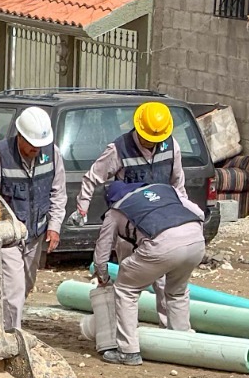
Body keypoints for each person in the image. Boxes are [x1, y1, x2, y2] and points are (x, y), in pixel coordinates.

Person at [74, 101, 205, 327]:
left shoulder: (170, 146)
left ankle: (170, 333)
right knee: (130, 281)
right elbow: (92, 177)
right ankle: (127, 331)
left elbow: (178, 185)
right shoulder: (118, 150)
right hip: (130, 229)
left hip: (163, 225)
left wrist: (184, 213)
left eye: (156, 140)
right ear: (138, 129)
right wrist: (82, 206)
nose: (152, 143)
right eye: (148, 139)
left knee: (165, 283)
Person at [93, 179, 207, 365]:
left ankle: (128, 351)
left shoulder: (116, 211)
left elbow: (103, 248)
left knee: (125, 290)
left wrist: (103, 276)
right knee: (177, 291)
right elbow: (199, 213)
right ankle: (181, 343)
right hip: (195, 241)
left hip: (161, 245)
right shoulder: (165, 189)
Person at [0, 105, 65, 332]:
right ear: (20, 136)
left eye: (39, 145)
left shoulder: (52, 154)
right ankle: (11, 337)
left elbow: (58, 192)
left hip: (35, 235)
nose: (36, 149)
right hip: (7, 237)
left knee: (25, 285)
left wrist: (54, 226)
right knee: (14, 289)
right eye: (32, 144)